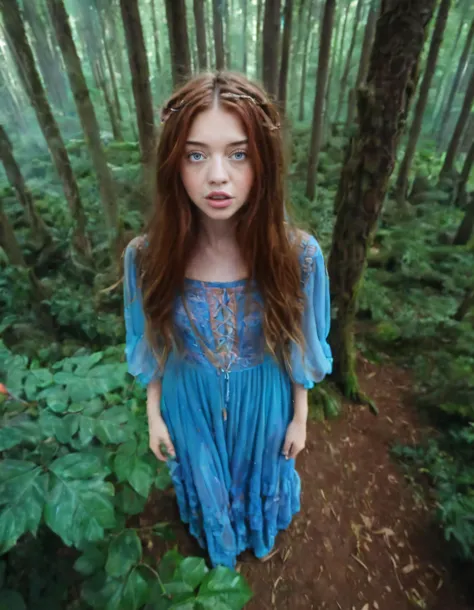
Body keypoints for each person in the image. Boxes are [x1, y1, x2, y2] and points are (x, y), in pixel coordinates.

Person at [123, 71, 333, 570]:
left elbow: (297, 341)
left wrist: (300, 418)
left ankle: (254, 532)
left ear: (263, 162)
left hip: (265, 403)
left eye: (238, 154)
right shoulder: (147, 257)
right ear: (174, 164)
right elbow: (152, 339)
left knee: (258, 471)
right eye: (196, 155)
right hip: (187, 402)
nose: (218, 175)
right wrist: (154, 414)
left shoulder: (296, 254)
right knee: (203, 479)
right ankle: (215, 542)